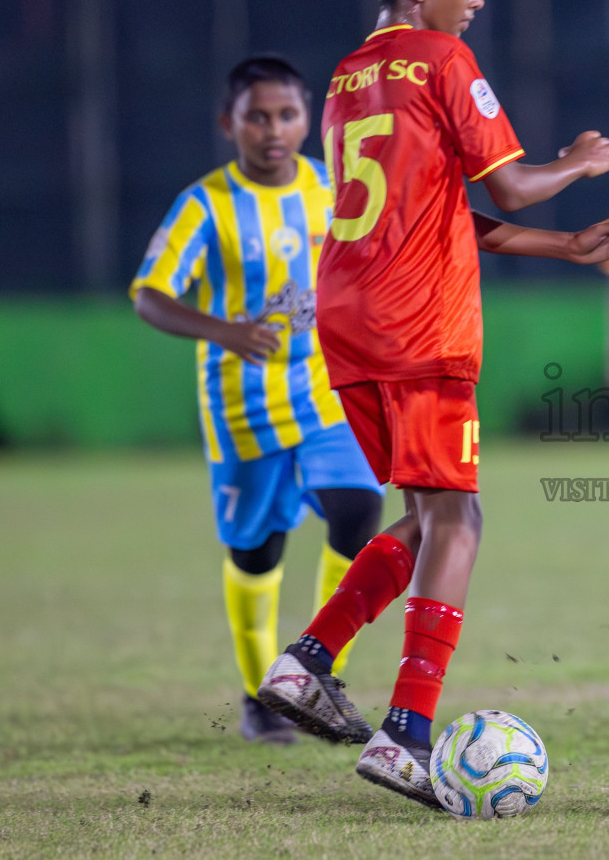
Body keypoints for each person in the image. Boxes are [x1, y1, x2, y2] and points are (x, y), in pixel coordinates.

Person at [255, 0, 609, 810]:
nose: (477, 0)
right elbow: (506, 184)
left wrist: (569, 245)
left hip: (347, 315)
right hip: (417, 323)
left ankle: (307, 661)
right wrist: (575, 164)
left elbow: (433, 212)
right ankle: (406, 734)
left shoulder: (350, 75)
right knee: (460, 522)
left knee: (427, 519)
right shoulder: (442, 60)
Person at [132, 56, 385, 744]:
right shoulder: (206, 204)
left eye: (288, 115)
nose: (274, 130)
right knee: (258, 554)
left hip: (330, 394)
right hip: (244, 404)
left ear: (310, 119)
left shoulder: (332, 191)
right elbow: (149, 294)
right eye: (258, 116)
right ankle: (258, 697)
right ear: (229, 123)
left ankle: (318, 680)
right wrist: (225, 331)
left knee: (361, 509)